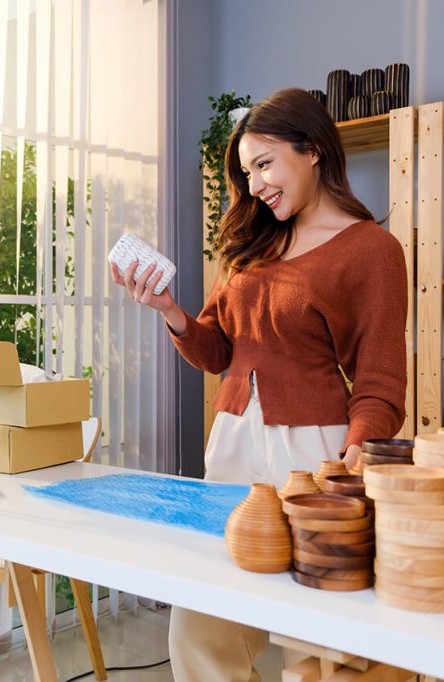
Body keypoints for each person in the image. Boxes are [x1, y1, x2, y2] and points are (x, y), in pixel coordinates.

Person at [110, 87, 407, 681]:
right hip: (234, 445)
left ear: (314, 149)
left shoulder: (372, 250)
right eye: (245, 173)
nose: (254, 186)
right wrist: (172, 312)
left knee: (313, 640)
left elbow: (380, 378)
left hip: (314, 454)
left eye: (264, 164)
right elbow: (220, 350)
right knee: (201, 621)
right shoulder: (256, 242)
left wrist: (354, 455)